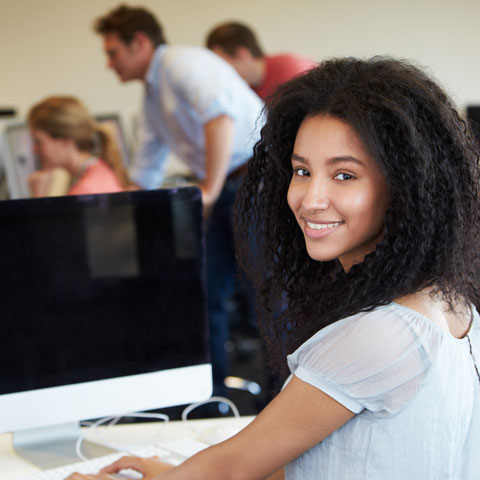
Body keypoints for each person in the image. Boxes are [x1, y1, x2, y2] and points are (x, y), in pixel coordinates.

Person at [68, 57, 480, 479]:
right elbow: (330, 460)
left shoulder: (382, 334)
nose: (310, 198)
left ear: (404, 187)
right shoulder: (452, 308)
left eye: (344, 175)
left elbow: (230, 470)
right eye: (302, 171)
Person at [93, 5, 264, 396]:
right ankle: (212, 396)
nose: (108, 63)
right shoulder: (154, 96)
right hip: (228, 187)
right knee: (207, 293)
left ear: (139, 42)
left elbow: (220, 118)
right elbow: (145, 171)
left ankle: (278, 399)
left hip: (253, 179)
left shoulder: (183, 64)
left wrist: (209, 188)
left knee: (263, 294)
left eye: (113, 52)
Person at [28, 96, 129, 197]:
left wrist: (39, 198)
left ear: (65, 140)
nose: (34, 150)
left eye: (38, 142)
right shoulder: (100, 168)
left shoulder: (82, 194)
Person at [206, 21, 315, 100]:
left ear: (242, 54)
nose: (219, 69)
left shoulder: (291, 69)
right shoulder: (246, 88)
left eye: (221, 62)